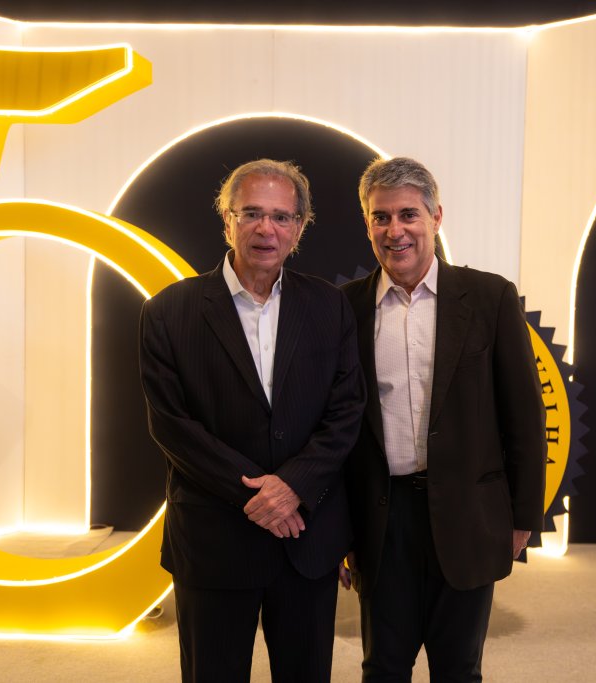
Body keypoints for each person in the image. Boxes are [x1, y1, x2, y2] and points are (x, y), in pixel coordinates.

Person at [139, 159, 366, 682]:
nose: (267, 229)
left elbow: (346, 410)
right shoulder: (168, 312)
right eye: (252, 213)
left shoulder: (329, 307)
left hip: (305, 539)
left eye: (282, 217)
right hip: (214, 542)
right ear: (228, 220)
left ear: (299, 227)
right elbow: (172, 426)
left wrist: (293, 487)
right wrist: (260, 496)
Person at [340, 157, 547, 681]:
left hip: (469, 515)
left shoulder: (490, 298)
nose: (395, 230)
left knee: (458, 669)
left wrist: (523, 517)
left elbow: (524, 415)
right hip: (381, 519)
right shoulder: (345, 308)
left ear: (436, 217)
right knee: (383, 667)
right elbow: (336, 429)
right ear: (367, 225)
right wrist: (337, 530)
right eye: (381, 217)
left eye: (408, 214)